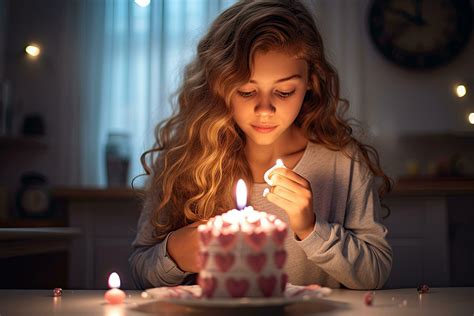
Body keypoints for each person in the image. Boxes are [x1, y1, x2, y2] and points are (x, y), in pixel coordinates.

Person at [129, 0, 393, 290]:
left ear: (310, 83)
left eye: (283, 91)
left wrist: (310, 228)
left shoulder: (342, 162)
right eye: (246, 91)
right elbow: (142, 270)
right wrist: (176, 253)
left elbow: (375, 271)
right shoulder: (185, 160)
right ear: (219, 86)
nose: (264, 109)